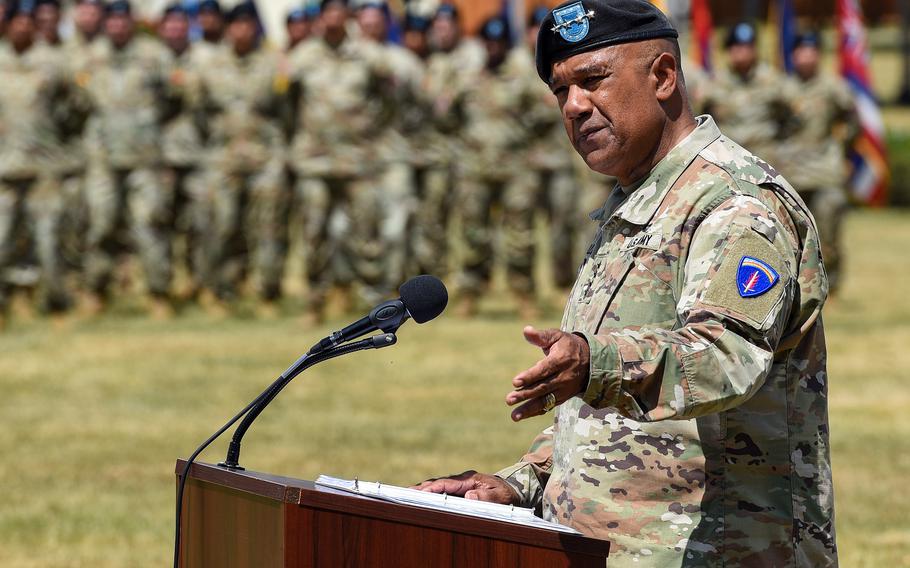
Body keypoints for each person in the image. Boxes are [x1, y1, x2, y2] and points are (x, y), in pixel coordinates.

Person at [416, 1, 836, 566]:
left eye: (593, 81)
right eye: (560, 91)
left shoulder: (735, 205)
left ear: (662, 77)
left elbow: (722, 359)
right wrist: (523, 482)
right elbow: (602, 417)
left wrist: (597, 364)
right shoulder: (637, 203)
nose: (574, 106)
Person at [287, 0, 394, 320]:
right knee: (313, 231)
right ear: (319, 16)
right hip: (314, 162)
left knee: (367, 232)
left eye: (338, 10)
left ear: (347, 15)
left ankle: (371, 303)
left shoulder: (368, 54)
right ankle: (315, 299)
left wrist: (370, 133)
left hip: (359, 160)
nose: (333, 17)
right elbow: (285, 103)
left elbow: (390, 99)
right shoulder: (302, 56)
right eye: (327, 10)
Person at [79, 0, 175, 318]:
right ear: (106, 23)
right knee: (101, 223)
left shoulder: (155, 55)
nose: (118, 25)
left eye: (123, 19)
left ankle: (158, 293)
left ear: (132, 22)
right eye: (113, 20)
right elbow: (75, 103)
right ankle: (95, 291)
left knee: (150, 223)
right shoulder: (88, 56)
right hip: (103, 158)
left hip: (145, 158)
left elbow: (174, 99)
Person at [0, 2, 92, 326]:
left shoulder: (54, 62)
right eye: (18, 22)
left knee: (49, 239)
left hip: (45, 168)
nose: (23, 28)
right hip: (5, 168)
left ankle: (57, 304)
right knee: (2, 238)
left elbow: (81, 104)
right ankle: (6, 304)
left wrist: (63, 137)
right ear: (8, 26)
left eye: (29, 22)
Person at [196, 2, 289, 316]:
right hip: (223, 159)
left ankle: (267, 294)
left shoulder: (272, 63)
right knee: (220, 226)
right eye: (236, 24)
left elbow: (286, 109)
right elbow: (198, 110)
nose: (242, 30)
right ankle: (218, 292)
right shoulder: (210, 64)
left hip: (265, 160)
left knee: (267, 229)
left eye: (248, 24)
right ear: (228, 27)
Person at [457, 16, 540, 319]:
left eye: (499, 42)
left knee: (520, 235)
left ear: (506, 44)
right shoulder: (468, 76)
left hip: (515, 168)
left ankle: (523, 294)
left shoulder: (522, 76)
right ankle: (470, 293)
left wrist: (524, 139)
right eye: (488, 42)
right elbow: (447, 113)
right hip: (475, 168)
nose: (493, 48)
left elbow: (545, 112)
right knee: (473, 234)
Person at [778, 31, 857, 295]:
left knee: (828, 230)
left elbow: (852, 119)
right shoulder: (784, 89)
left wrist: (842, 145)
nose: (806, 56)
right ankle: (798, 286)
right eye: (801, 51)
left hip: (825, 172)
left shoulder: (834, 87)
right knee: (792, 236)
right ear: (794, 55)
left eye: (811, 51)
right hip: (792, 173)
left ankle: (831, 287)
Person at [159, 3, 210, 302]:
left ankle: (199, 283)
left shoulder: (205, 58)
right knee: (159, 224)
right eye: (170, 24)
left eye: (181, 23)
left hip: (197, 156)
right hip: (159, 157)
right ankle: (163, 289)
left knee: (200, 224)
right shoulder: (149, 58)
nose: (176, 29)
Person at [703, 22, 798, 166]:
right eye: (736, 46)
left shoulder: (773, 80)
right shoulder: (715, 83)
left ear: (755, 49)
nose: (741, 51)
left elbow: (791, 117)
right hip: (727, 160)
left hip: (766, 160)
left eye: (746, 46)